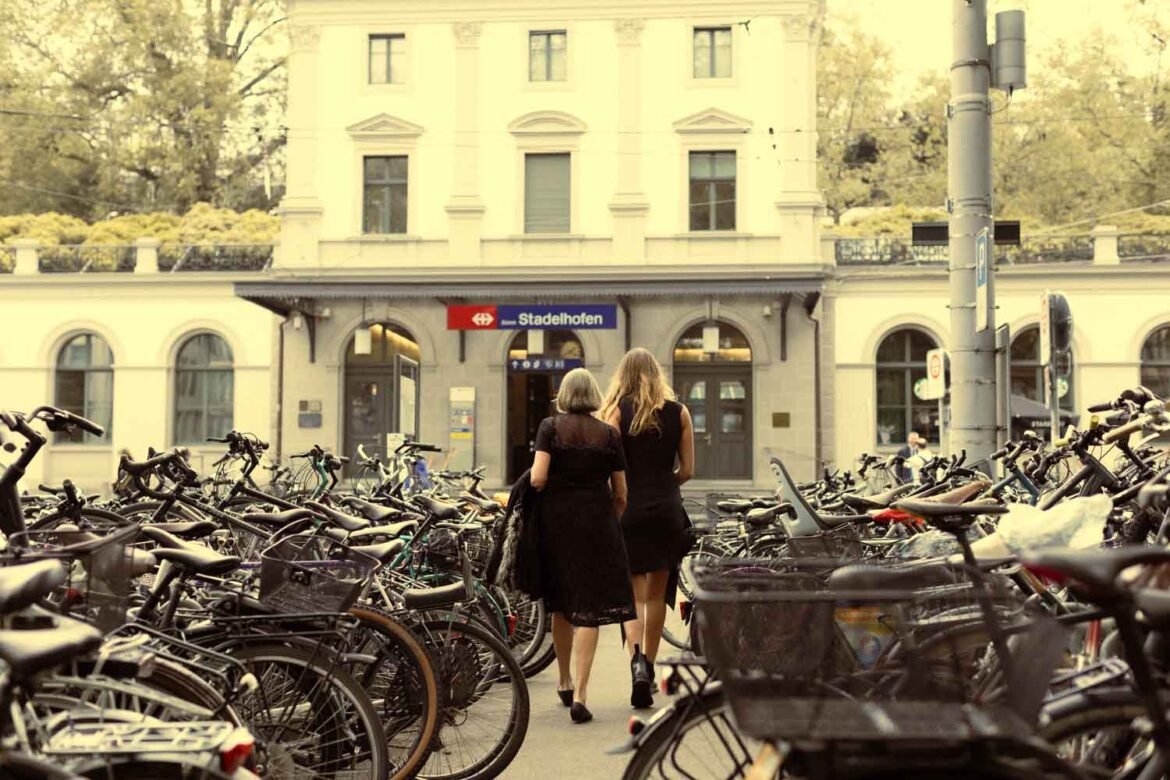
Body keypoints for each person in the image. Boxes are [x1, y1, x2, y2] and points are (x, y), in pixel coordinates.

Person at [530, 368, 636, 724]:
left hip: (557, 524)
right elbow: (621, 492)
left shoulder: (549, 427)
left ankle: (563, 680)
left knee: (561, 604)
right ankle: (581, 695)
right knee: (588, 607)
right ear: (592, 395)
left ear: (564, 394)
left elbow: (538, 477)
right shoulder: (608, 433)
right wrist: (610, 517)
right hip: (597, 524)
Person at [602, 348, 695, 710]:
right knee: (656, 596)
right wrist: (663, 483)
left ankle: (636, 665)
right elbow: (687, 470)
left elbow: (609, 467)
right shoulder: (679, 412)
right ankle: (651, 669)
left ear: (623, 375)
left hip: (629, 509)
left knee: (634, 596)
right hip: (666, 509)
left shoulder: (615, 413)